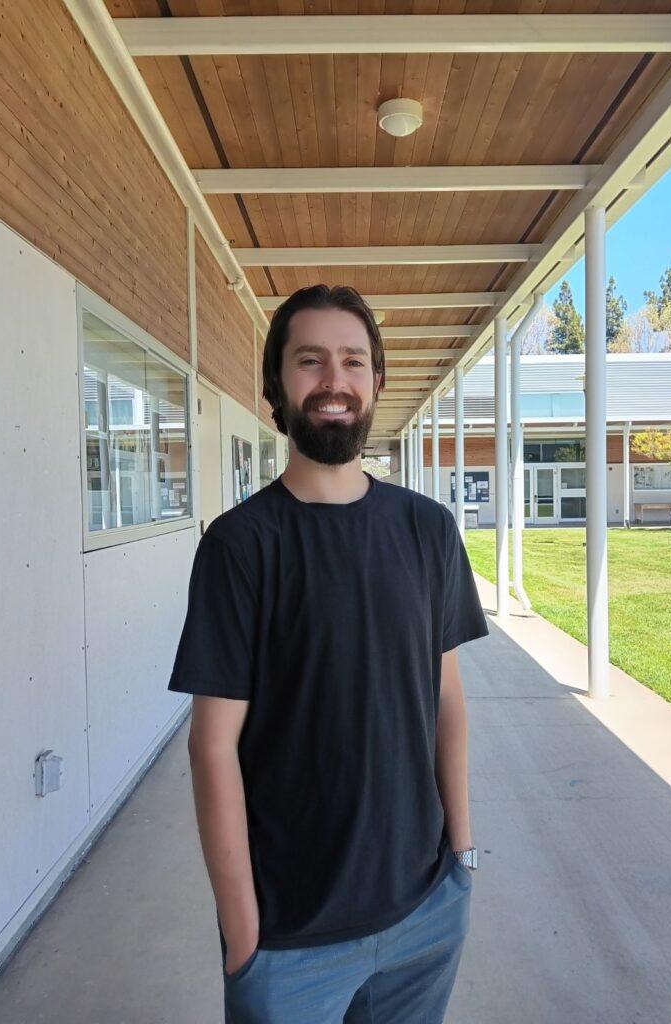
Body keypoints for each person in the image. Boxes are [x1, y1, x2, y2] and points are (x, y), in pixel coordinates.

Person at [168, 284, 489, 1023]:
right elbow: (210, 747)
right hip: (289, 939)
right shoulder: (240, 545)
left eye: (352, 361)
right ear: (276, 386)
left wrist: (462, 859)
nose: (333, 381)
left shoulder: (428, 530)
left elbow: (446, 702)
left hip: (425, 914)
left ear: (377, 382)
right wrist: (244, 932)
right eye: (309, 361)